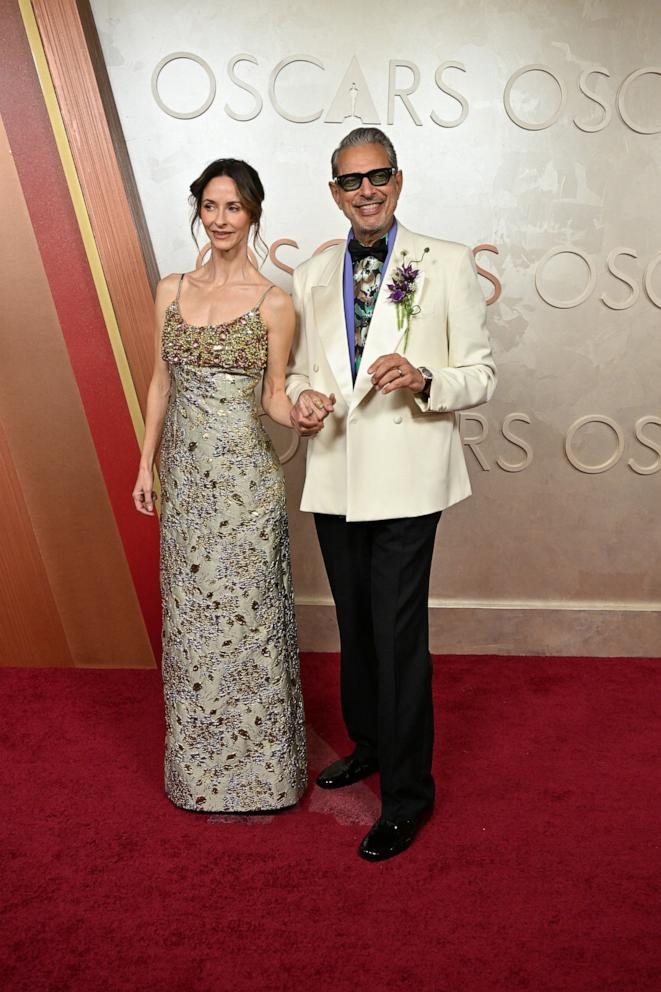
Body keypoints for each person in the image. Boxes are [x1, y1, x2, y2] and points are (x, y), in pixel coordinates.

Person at [287, 127, 496, 861]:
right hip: (335, 476)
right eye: (351, 181)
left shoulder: (445, 262)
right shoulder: (311, 276)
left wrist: (426, 378)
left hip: (409, 480)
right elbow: (297, 375)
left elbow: (480, 372)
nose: (365, 191)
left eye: (377, 177)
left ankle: (408, 796)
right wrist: (304, 398)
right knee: (355, 624)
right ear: (334, 192)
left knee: (398, 635)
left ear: (398, 182)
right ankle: (370, 744)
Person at [133, 158, 307, 813]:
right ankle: (198, 778)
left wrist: (306, 410)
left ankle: (263, 780)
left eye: (233, 207)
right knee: (192, 628)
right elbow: (159, 382)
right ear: (198, 212)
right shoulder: (170, 289)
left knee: (250, 625)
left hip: (246, 487)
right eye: (210, 206)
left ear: (253, 212)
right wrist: (144, 463)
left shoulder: (274, 302)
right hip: (184, 481)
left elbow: (274, 399)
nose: (221, 219)